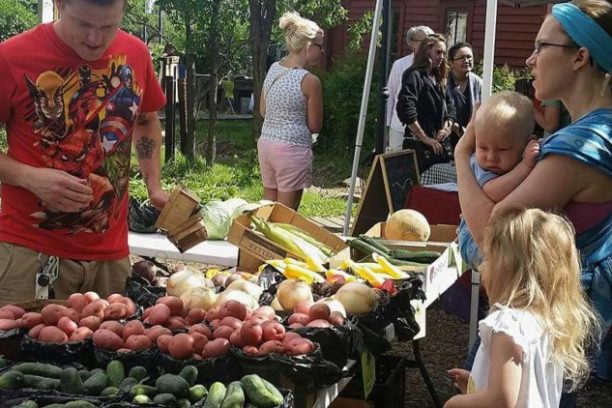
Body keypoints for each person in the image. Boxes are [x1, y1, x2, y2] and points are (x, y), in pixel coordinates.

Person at [455, 0, 611, 384]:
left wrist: (462, 154)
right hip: (558, 320)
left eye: (542, 47)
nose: (530, 59)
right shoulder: (598, 129)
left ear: (580, 57)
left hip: (534, 327)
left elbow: (492, 231)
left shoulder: (583, 144)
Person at [0, 0, 169, 304]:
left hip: (112, 260)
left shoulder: (136, 54)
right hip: (31, 257)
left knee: (113, 351)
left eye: (108, 27)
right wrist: (28, 177)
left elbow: (145, 119)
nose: (94, 39)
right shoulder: (11, 57)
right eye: (83, 24)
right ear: (59, 4)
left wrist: (154, 185)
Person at [446, 208, 599, 408]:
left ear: (509, 269)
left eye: (489, 258)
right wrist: (479, 384)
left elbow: (501, 401)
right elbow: (525, 388)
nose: (482, 267)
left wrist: (455, 403)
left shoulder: (507, 326)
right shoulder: (548, 322)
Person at [457, 91, 538, 269]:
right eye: (483, 147)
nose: (491, 157)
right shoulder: (478, 166)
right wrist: (524, 167)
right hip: (471, 239)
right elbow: (492, 190)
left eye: (502, 150)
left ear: (526, 144)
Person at [258, 11, 323, 210]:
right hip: (292, 149)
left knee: (267, 208)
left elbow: (262, 111)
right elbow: (314, 125)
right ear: (309, 47)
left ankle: (259, 240)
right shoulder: (310, 81)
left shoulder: (274, 69)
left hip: (267, 145)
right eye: (321, 46)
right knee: (285, 216)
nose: (323, 51)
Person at [397, 33, 456, 173]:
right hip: (420, 150)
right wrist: (424, 138)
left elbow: (451, 107)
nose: (442, 56)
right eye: (438, 52)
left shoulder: (439, 78)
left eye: (443, 53)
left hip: (440, 149)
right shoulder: (414, 75)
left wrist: (447, 128)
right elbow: (406, 108)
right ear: (427, 51)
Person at [385, 25, 433, 152]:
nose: (426, 45)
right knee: (398, 165)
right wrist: (386, 125)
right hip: (399, 128)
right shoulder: (400, 65)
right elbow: (390, 96)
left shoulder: (436, 67)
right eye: (422, 41)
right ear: (412, 44)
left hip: (426, 130)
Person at [447, 42, 482, 149]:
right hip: (446, 136)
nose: (466, 61)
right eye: (462, 58)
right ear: (451, 62)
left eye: (469, 57)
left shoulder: (478, 83)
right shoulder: (443, 82)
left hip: (470, 138)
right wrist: (454, 127)